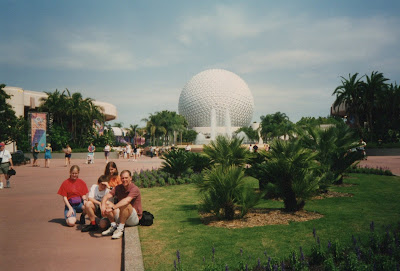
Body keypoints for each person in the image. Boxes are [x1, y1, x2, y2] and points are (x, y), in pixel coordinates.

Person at [101, 170, 142, 239]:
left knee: (125, 204)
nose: (124, 180)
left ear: (130, 178)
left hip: (133, 219)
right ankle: (113, 226)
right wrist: (103, 206)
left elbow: (126, 201)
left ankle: (120, 229)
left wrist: (112, 208)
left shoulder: (134, 189)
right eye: (122, 178)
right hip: (122, 214)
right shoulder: (118, 187)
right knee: (107, 203)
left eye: (126, 178)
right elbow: (107, 196)